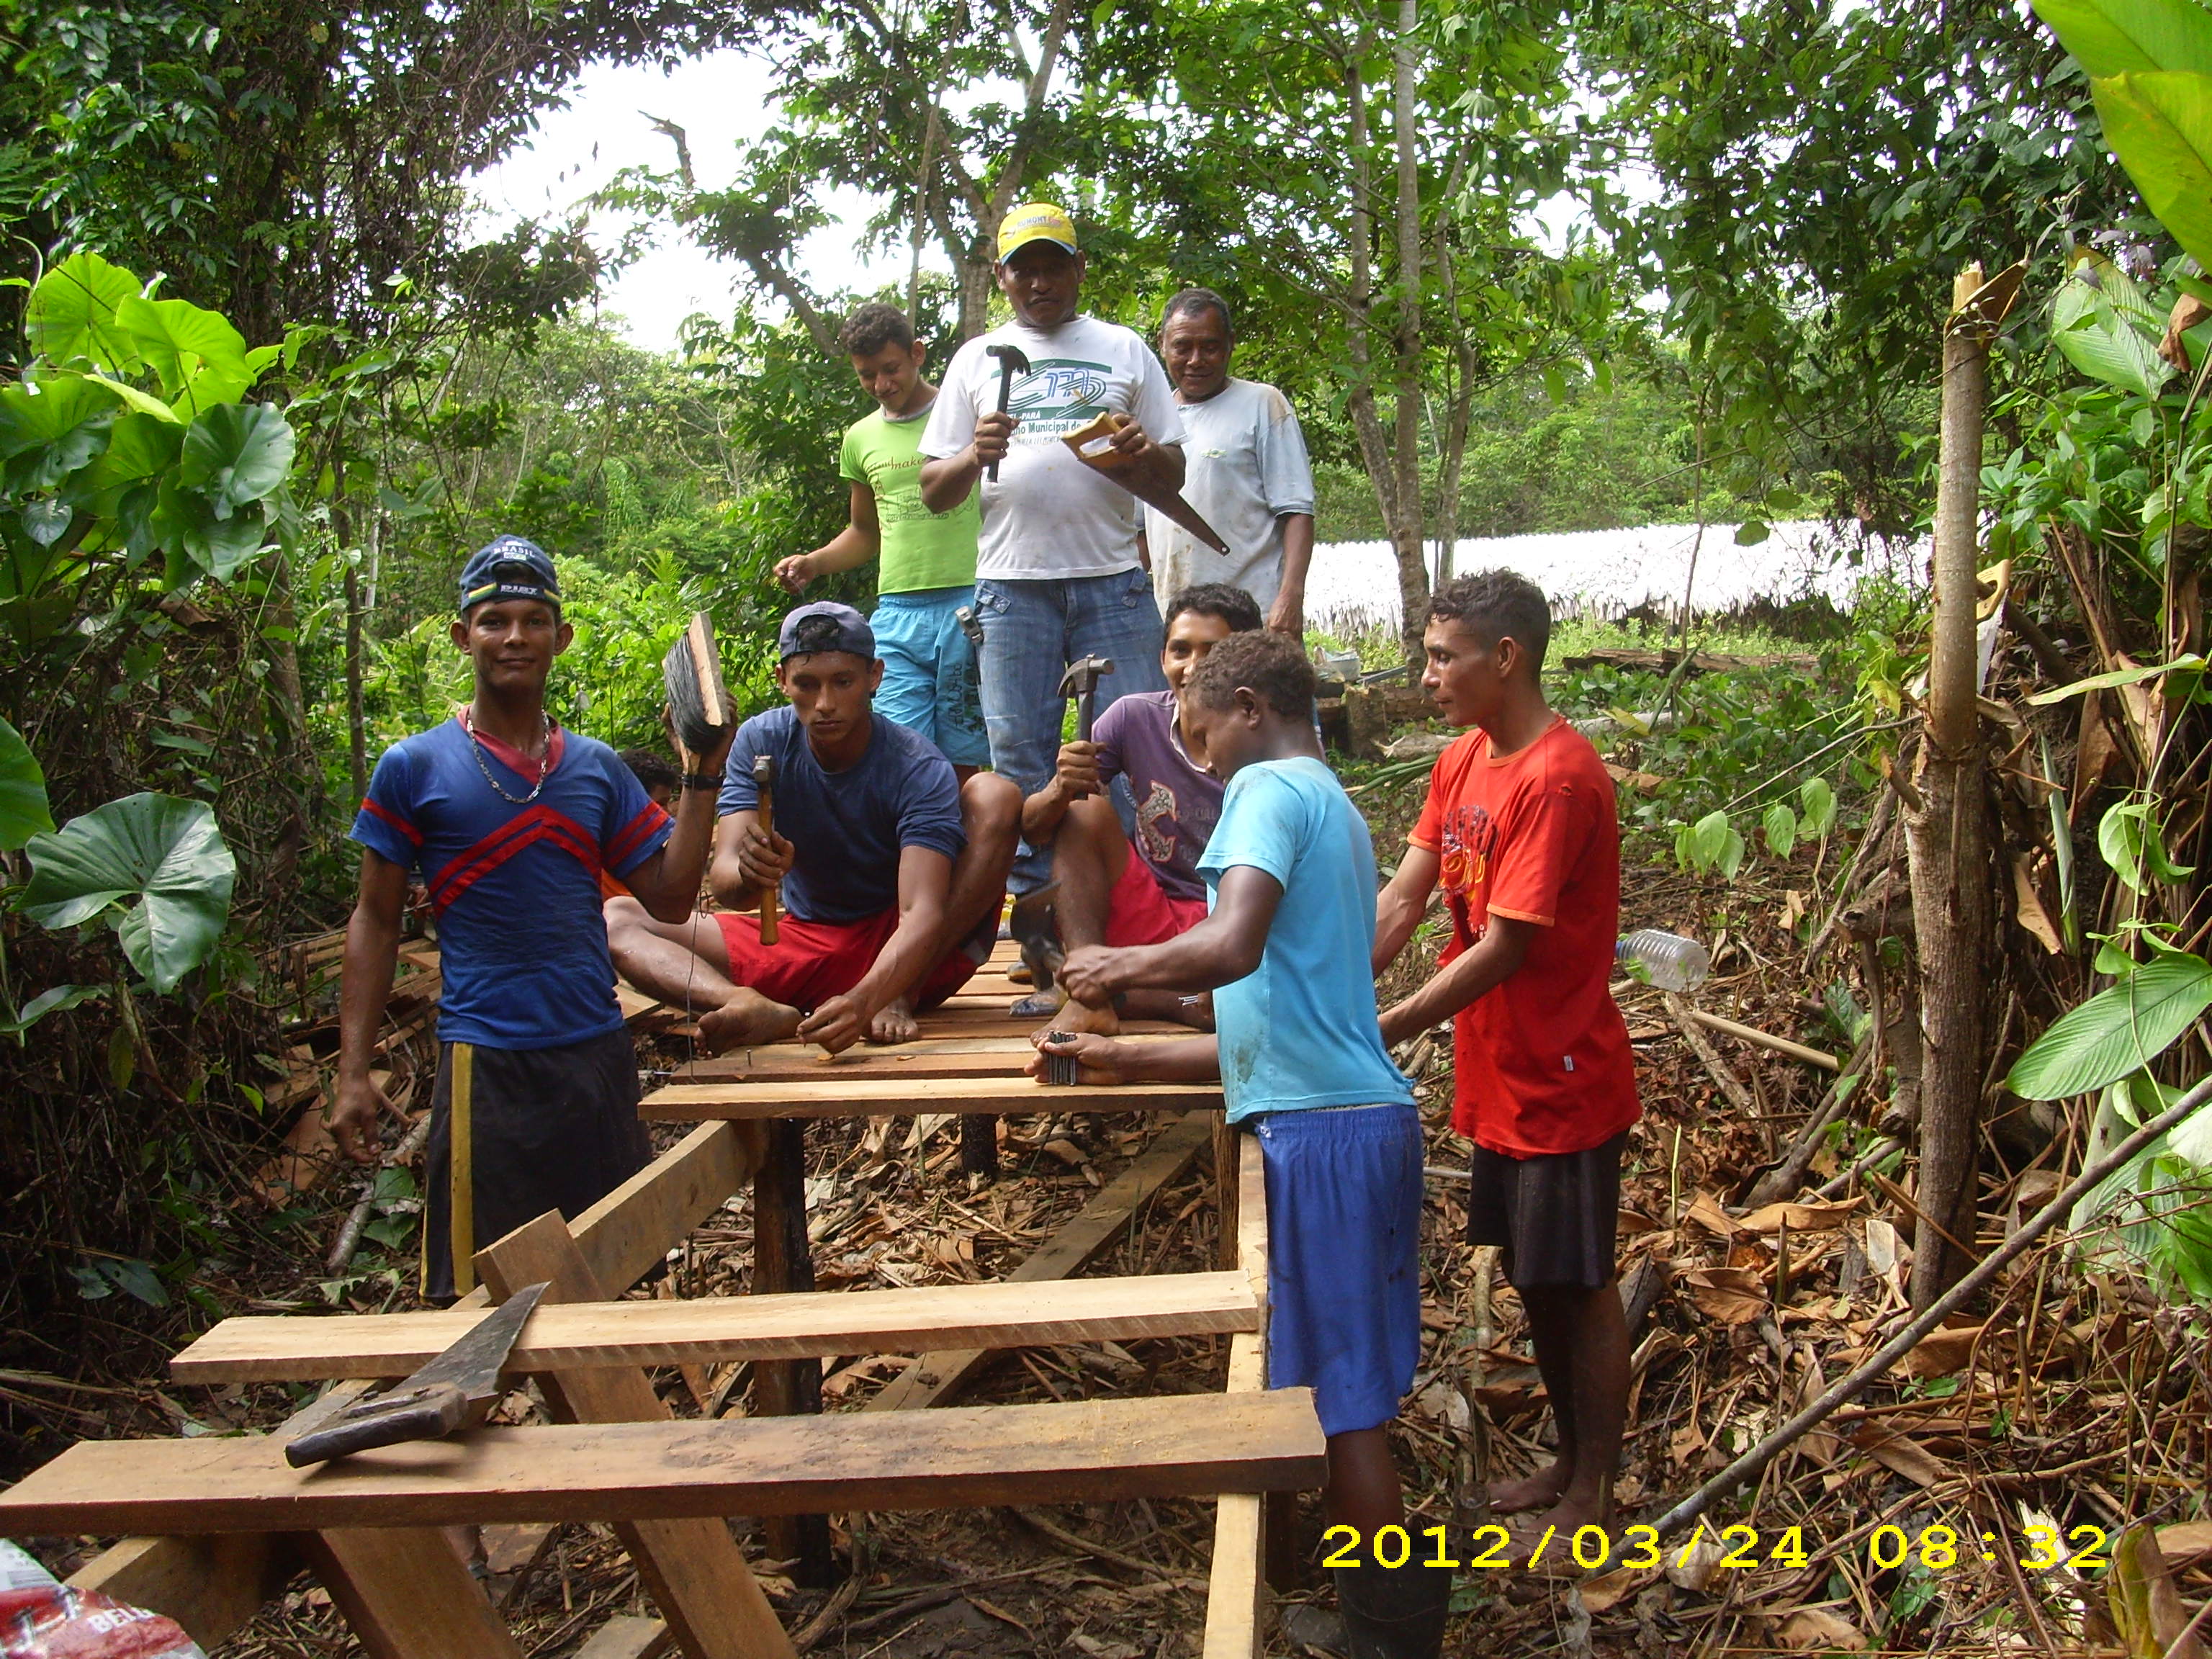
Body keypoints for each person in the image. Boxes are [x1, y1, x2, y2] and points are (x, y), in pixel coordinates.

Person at [1031, 632, 1447, 1656]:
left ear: (1251, 706)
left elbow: (1231, 947)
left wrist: (1111, 967)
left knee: (1345, 1404)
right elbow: (1267, 1034)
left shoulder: (1271, 790)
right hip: (1344, 1117)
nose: (1200, 757)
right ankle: (1373, 1613)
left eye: (1206, 731)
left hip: (1329, 1137)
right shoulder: (1335, 808)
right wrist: (1119, 1063)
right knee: (1341, 1391)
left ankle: (1392, 1639)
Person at [333, 536, 733, 1302]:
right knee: (484, 1300)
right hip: (487, 1065)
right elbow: (375, 920)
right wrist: (353, 1070)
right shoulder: (413, 767)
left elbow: (673, 896)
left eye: (532, 620)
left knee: (612, 1279)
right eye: (493, 621)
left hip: (594, 1057)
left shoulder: (594, 769)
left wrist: (702, 770)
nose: (514, 637)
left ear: (561, 636)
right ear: (463, 636)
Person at [1372, 569, 1640, 1542]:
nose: (1430, 672)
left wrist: (1383, 1028)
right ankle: (1570, 1462)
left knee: (1579, 1280)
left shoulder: (1557, 777)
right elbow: (1405, 898)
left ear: (1506, 658)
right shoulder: (1461, 763)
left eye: (1444, 655)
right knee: (1535, 1274)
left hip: (1560, 1076)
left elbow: (1504, 946)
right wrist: (1332, 995)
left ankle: (1593, 1487)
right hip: (1499, 1074)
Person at [605, 601, 1020, 1052]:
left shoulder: (915, 765)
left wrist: (870, 999)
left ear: (874, 677)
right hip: (804, 941)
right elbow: (729, 889)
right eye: (807, 684)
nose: (825, 704)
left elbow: (921, 914)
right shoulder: (761, 740)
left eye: (843, 682)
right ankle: (746, 1004)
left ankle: (897, 993)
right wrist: (752, 870)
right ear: (783, 681)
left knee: (996, 794)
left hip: (905, 951)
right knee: (619, 918)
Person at [917, 202, 1184, 893]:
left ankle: (1140, 903)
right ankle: (1038, 925)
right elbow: (933, 491)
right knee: (1020, 761)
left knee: (1143, 745)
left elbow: (1175, 471)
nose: (1040, 283)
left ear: (1079, 270)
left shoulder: (1124, 347)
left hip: (1115, 581)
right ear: (1002, 278)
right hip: (1011, 587)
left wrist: (1143, 450)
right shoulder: (975, 359)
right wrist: (972, 456)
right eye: (1024, 271)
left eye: (1053, 267)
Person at [1015, 582, 1262, 1030]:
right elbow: (1034, 830)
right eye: (1180, 650)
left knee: (1234, 999)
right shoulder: (1134, 716)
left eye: (1213, 651)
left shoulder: (1269, 737)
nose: (1194, 667)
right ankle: (1094, 989)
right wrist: (1059, 789)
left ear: (1248, 661)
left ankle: (1143, 997)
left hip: (1234, 925)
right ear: (1162, 658)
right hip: (1152, 914)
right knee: (1082, 806)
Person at [773, 302, 988, 776]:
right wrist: (815, 562)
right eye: (867, 375)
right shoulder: (861, 437)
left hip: (969, 601)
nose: (882, 385)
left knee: (964, 758)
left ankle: (965, 848)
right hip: (898, 612)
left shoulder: (965, 415)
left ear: (917, 354)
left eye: (891, 369)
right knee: (899, 752)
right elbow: (864, 532)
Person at [1144, 289, 1317, 637]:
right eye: (1182, 347)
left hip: (1253, 615)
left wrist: (1290, 597)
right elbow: (1139, 531)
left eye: (1209, 347)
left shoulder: (1262, 403)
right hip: (1178, 623)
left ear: (1230, 344)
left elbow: (1297, 510)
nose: (1196, 360)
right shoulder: (1151, 418)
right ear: (1162, 344)